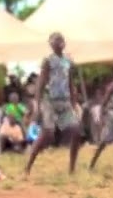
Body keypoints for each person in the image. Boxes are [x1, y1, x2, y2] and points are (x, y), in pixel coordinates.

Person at [24, 32, 83, 177]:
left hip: (65, 101)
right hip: (49, 100)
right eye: (55, 40)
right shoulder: (48, 61)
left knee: (76, 132)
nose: (59, 42)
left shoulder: (68, 61)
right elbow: (41, 83)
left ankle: (72, 169)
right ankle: (28, 166)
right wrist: (37, 104)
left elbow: (70, 83)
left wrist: (74, 103)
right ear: (51, 44)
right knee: (47, 134)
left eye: (61, 39)